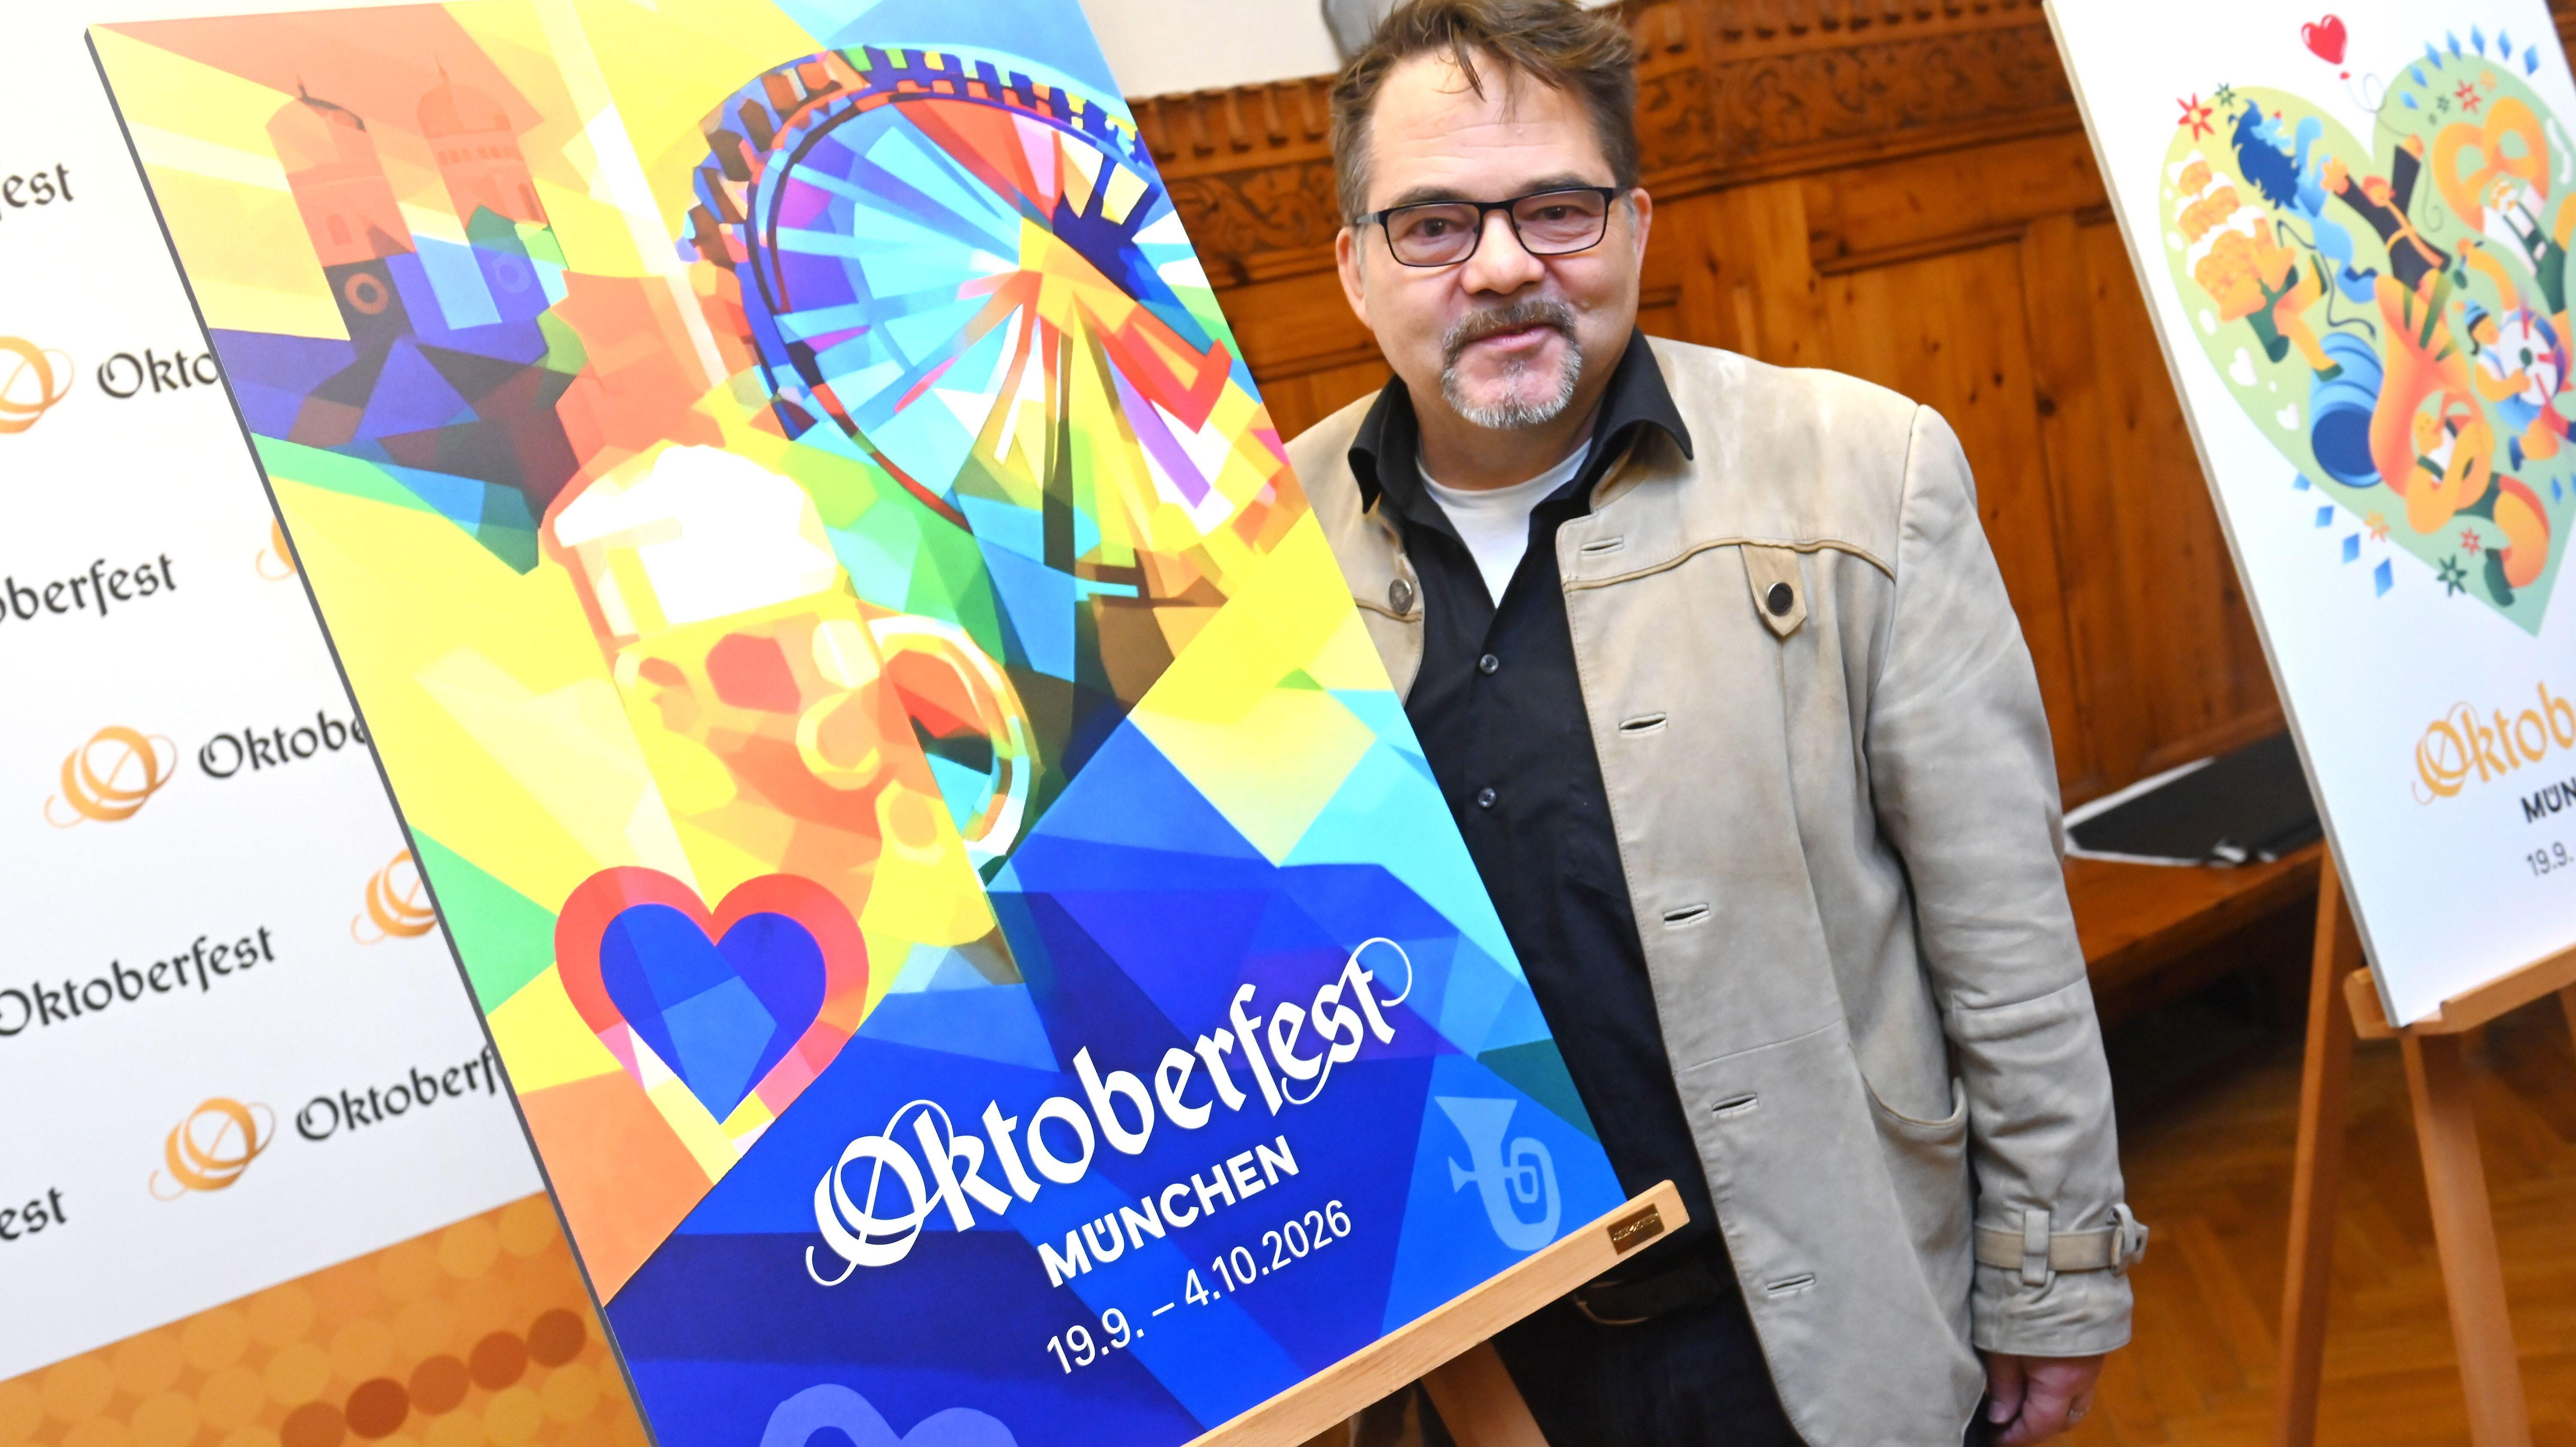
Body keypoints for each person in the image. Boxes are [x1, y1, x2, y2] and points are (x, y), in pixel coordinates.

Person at [1292, 3, 2145, 1443]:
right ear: (1355, 265)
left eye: (1554, 208)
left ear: (1633, 221)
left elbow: (2004, 944)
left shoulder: (1862, 475)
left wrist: (2053, 1275)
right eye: (1432, 224)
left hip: (1817, 1336)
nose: (1502, 266)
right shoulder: (1254, 562)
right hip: (1473, 1373)